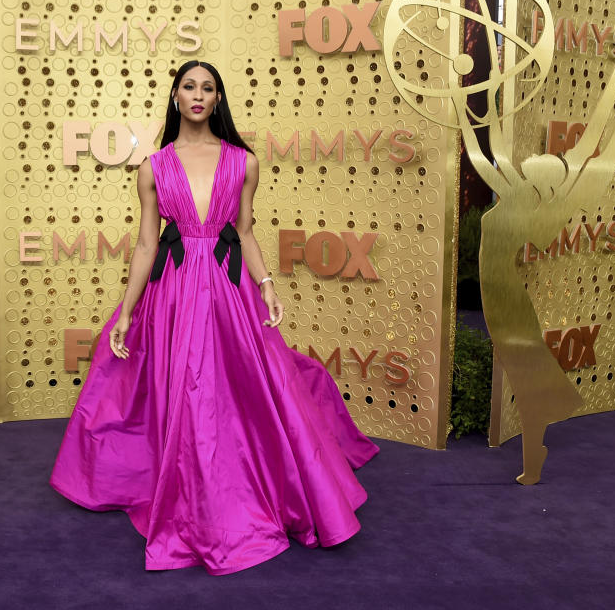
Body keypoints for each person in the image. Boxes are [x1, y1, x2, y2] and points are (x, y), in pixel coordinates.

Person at [49, 60, 379, 575]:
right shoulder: (153, 167)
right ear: (175, 96)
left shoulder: (242, 162)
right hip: (175, 291)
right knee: (183, 392)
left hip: (228, 288)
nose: (198, 95)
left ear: (218, 99)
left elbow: (244, 233)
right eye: (189, 87)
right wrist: (127, 311)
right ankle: (190, 494)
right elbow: (144, 244)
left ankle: (241, 489)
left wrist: (267, 285)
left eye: (208, 88)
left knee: (239, 392)